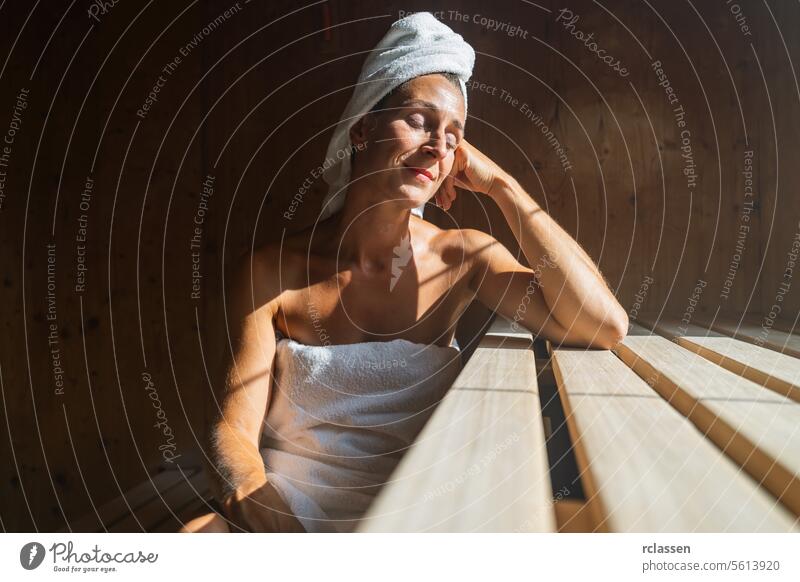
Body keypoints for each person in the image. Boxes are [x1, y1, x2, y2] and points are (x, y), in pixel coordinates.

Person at [182, 12, 627, 533]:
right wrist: (280, 529)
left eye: (454, 135)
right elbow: (233, 434)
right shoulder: (270, 274)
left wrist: (503, 185)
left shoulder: (462, 260)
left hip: (421, 513)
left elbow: (603, 325)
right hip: (291, 509)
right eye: (419, 119)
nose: (439, 146)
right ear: (363, 127)